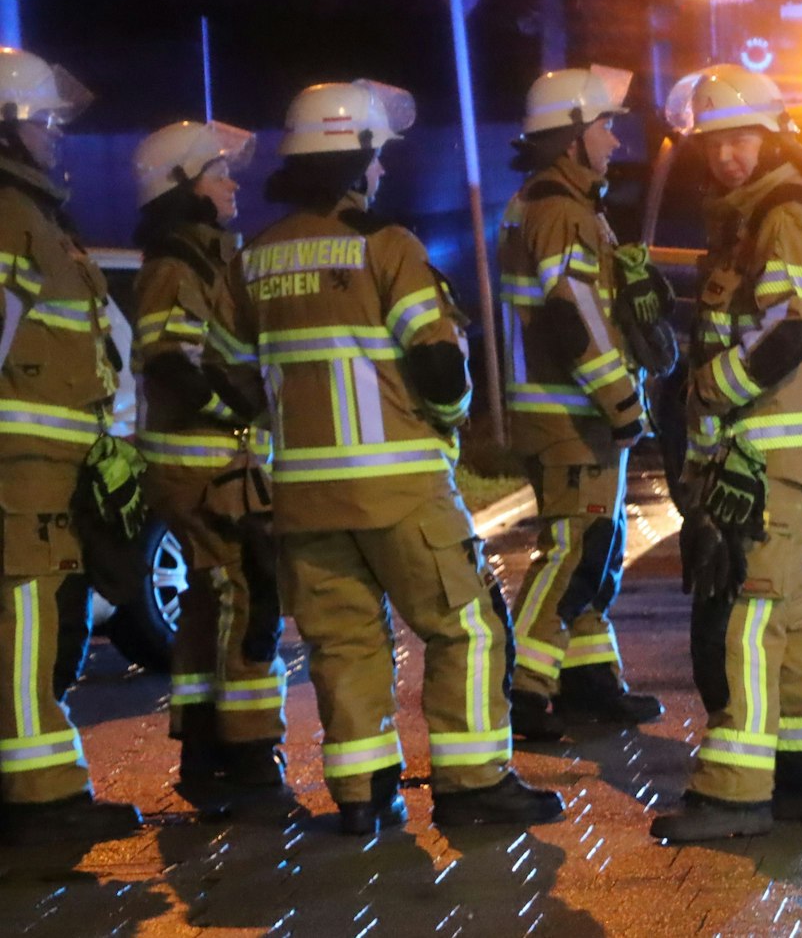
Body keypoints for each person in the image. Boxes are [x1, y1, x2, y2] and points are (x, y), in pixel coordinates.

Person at [230, 80, 562, 834]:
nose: (380, 173)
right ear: (359, 160)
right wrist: (447, 420)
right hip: (399, 486)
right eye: (376, 159)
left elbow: (232, 373)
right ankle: (474, 783)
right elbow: (441, 366)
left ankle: (361, 795)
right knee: (469, 626)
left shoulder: (255, 258)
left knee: (343, 640)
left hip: (303, 497)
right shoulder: (387, 246)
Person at [650, 64, 802, 844]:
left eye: (742, 139)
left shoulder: (786, 207)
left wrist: (715, 391)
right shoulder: (750, 214)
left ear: (773, 134)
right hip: (763, 455)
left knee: (747, 614)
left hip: (771, 452)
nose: (728, 155)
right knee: (793, 616)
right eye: (716, 143)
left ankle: (733, 792)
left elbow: (794, 323)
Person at [498, 65, 669, 741]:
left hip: (575, 414)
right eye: (604, 126)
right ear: (571, 136)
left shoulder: (565, 203)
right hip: (570, 414)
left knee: (598, 544)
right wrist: (622, 398)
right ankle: (523, 688)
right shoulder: (560, 210)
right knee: (575, 547)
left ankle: (587, 677)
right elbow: (572, 315)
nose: (614, 140)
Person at [0, 47, 142, 841]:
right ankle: (39, 802)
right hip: (15, 468)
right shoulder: (10, 213)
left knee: (36, 620)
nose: (57, 136)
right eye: (45, 122)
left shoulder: (34, 215)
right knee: (23, 620)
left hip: (44, 467)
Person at [130, 119, 287, 795]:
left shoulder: (202, 256)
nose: (232, 183)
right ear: (183, 188)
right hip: (207, 470)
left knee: (209, 604)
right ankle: (249, 759)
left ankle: (204, 751)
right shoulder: (179, 263)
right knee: (245, 599)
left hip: (212, 468)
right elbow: (172, 361)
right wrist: (243, 409)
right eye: (218, 172)